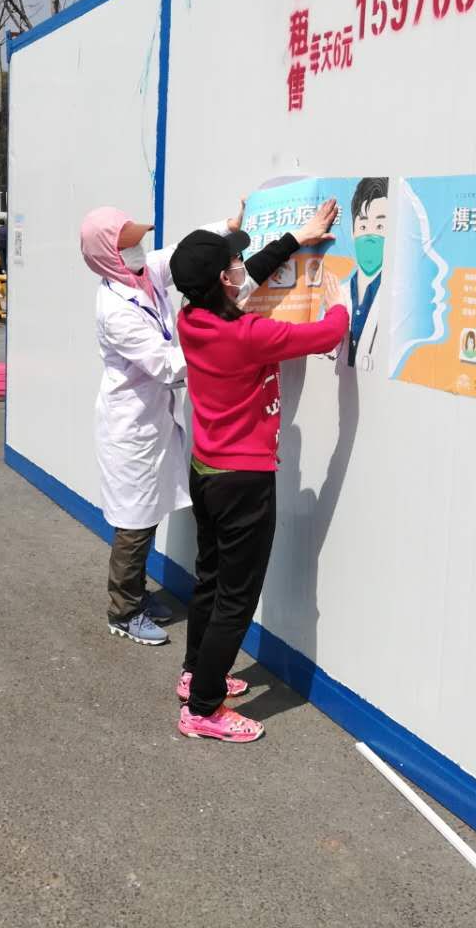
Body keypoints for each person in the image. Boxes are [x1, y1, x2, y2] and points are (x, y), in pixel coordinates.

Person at [80, 204, 334, 646]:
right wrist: (222, 350)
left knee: (149, 514)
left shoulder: (147, 276)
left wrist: (227, 227)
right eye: (128, 245)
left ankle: (137, 596)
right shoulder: (116, 311)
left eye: (138, 239)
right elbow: (167, 365)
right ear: (108, 256)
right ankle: (124, 610)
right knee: (135, 521)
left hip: (163, 424)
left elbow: (186, 255)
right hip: (131, 426)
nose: (140, 249)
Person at [168, 219, 349, 742]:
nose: (239, 266)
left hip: (207, 471)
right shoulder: (246, 335)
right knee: (236, 597)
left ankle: (195, 674)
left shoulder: (191, 317)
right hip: (243, 482)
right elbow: (326, 334)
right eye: (232, 263)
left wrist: (298, 238)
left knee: (210, 579)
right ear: (223, 280)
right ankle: (204, 709)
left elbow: (248, 278)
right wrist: (339, 303)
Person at [347, 177, 389, 367]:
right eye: (363, 226)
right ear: (353, 231)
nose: (370, 237)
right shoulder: (338, 293)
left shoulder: (393, 296)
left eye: (379, 226)